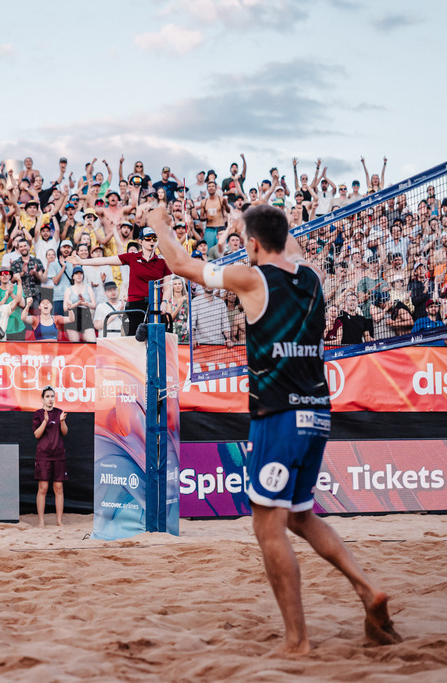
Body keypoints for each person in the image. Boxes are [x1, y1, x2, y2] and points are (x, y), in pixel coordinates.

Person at [153, 203, 401, 655]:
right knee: (301, 516)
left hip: (279, 416)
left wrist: (157, 224)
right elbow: (289, 242)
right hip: (318, 413)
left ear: (251, 243)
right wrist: (252, 219)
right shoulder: (312, 277)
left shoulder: (252, 280)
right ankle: (368, 590)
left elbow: (181, 265)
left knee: (269, 528)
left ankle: (297, 641)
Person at [32, 385, 67, 527]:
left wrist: (62, 421)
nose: (50, 399)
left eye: (52, 396)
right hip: (43, 456)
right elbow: (37, 434)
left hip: (59, 455)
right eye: (47, 396)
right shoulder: (38, 414)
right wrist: (45, 421)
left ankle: (59, 521)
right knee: (43, 488)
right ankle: (41, 521)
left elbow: (64, 432)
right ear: (42, 398)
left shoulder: (59, 413)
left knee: (58, 488)